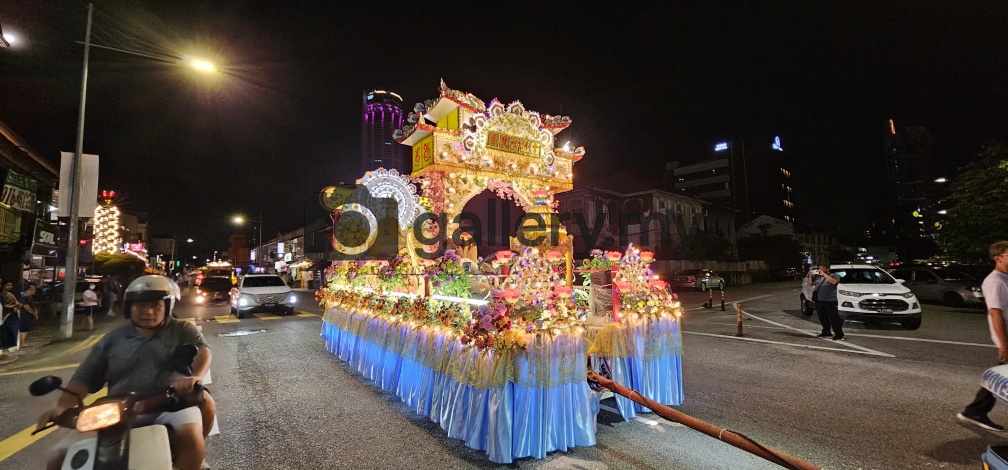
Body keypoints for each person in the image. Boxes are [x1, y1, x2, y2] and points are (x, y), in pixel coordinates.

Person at [36, 275, 213, 470]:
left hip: (170, 403)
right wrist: (61, 408)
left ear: (167, 307)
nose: (148, 312)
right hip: (118, 409)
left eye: (156, 306)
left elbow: (202, 351)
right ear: (130, 308)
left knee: (191, 438)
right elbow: (83, 378)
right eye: (140, 306)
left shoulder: (182, 330)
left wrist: (194, 377)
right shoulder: (112, 340)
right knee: (58, 458)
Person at [958, 240, 1008, 432]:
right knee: (1002, 375)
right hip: (1006, 336)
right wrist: (1004, 344)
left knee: (1001, 375)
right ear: (998, 258)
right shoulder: (995, 281)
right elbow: (995, 313)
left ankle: (975, 410)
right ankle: (975, 410)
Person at [808, 263, 843, 340]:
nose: (819, 270)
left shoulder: (834, 276)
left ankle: (839, 334)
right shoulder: (817, 277)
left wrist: (824, 274)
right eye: (819, 268)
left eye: (822, 268)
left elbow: (834, 282)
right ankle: (826, 331)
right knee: (822, 317)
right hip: (819, 300)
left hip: (830, 300)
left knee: (834, 318)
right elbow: (810, 284)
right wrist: (810, 276)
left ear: (828, 269)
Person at [1, 280, 23, 350]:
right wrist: (13, 307)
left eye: (11, 285)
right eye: (8, 285)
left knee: (13, 330)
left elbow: (16, 303)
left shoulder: (10, 294)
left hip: (12, 314)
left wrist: (17, 306)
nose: (10, 287)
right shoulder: (1, 295)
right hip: (5, 315)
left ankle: (11, 344)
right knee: (5, 330)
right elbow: (3, 306)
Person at [19, 283, 38, 348]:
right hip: (24, 315)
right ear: (26, 290)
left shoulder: (31, 298)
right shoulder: (25, 298)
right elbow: (26, 307)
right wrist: (33, 313)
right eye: (31, 289)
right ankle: (22, 343)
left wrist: (35, 314)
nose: (33, 291)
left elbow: (34, 306)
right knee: (23, 330)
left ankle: (23, 342)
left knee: (26, 329)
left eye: (34, 289)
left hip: (29, 316)